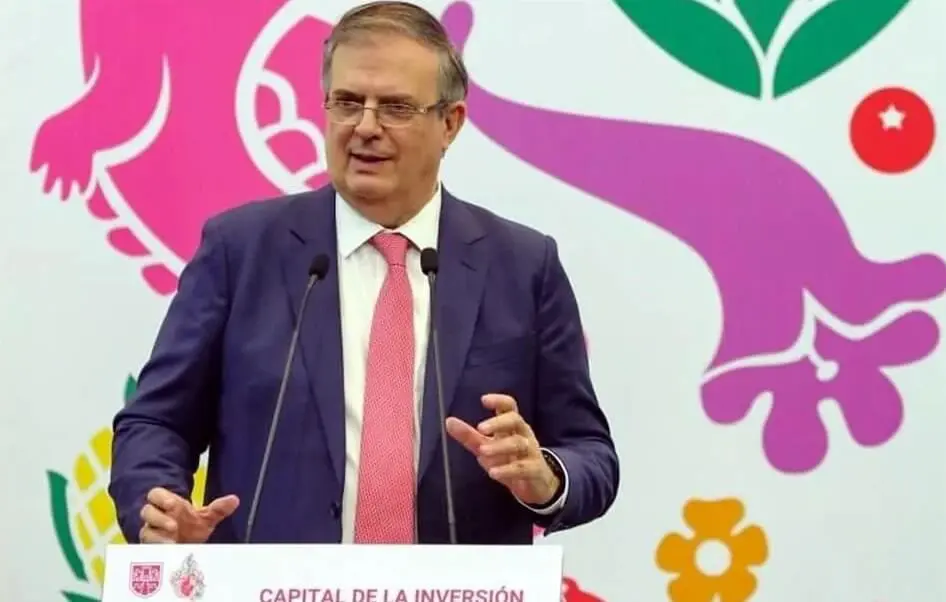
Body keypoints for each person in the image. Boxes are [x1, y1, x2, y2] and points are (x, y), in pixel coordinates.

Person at [109, 0, 619, 545]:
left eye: (396, 107)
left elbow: (590, 453)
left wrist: (544, 478)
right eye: (348, 102)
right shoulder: (241, 250)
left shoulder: (522, 266)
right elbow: (156, 421)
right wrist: (157, 507)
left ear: (451, 123)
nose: (365, 127)